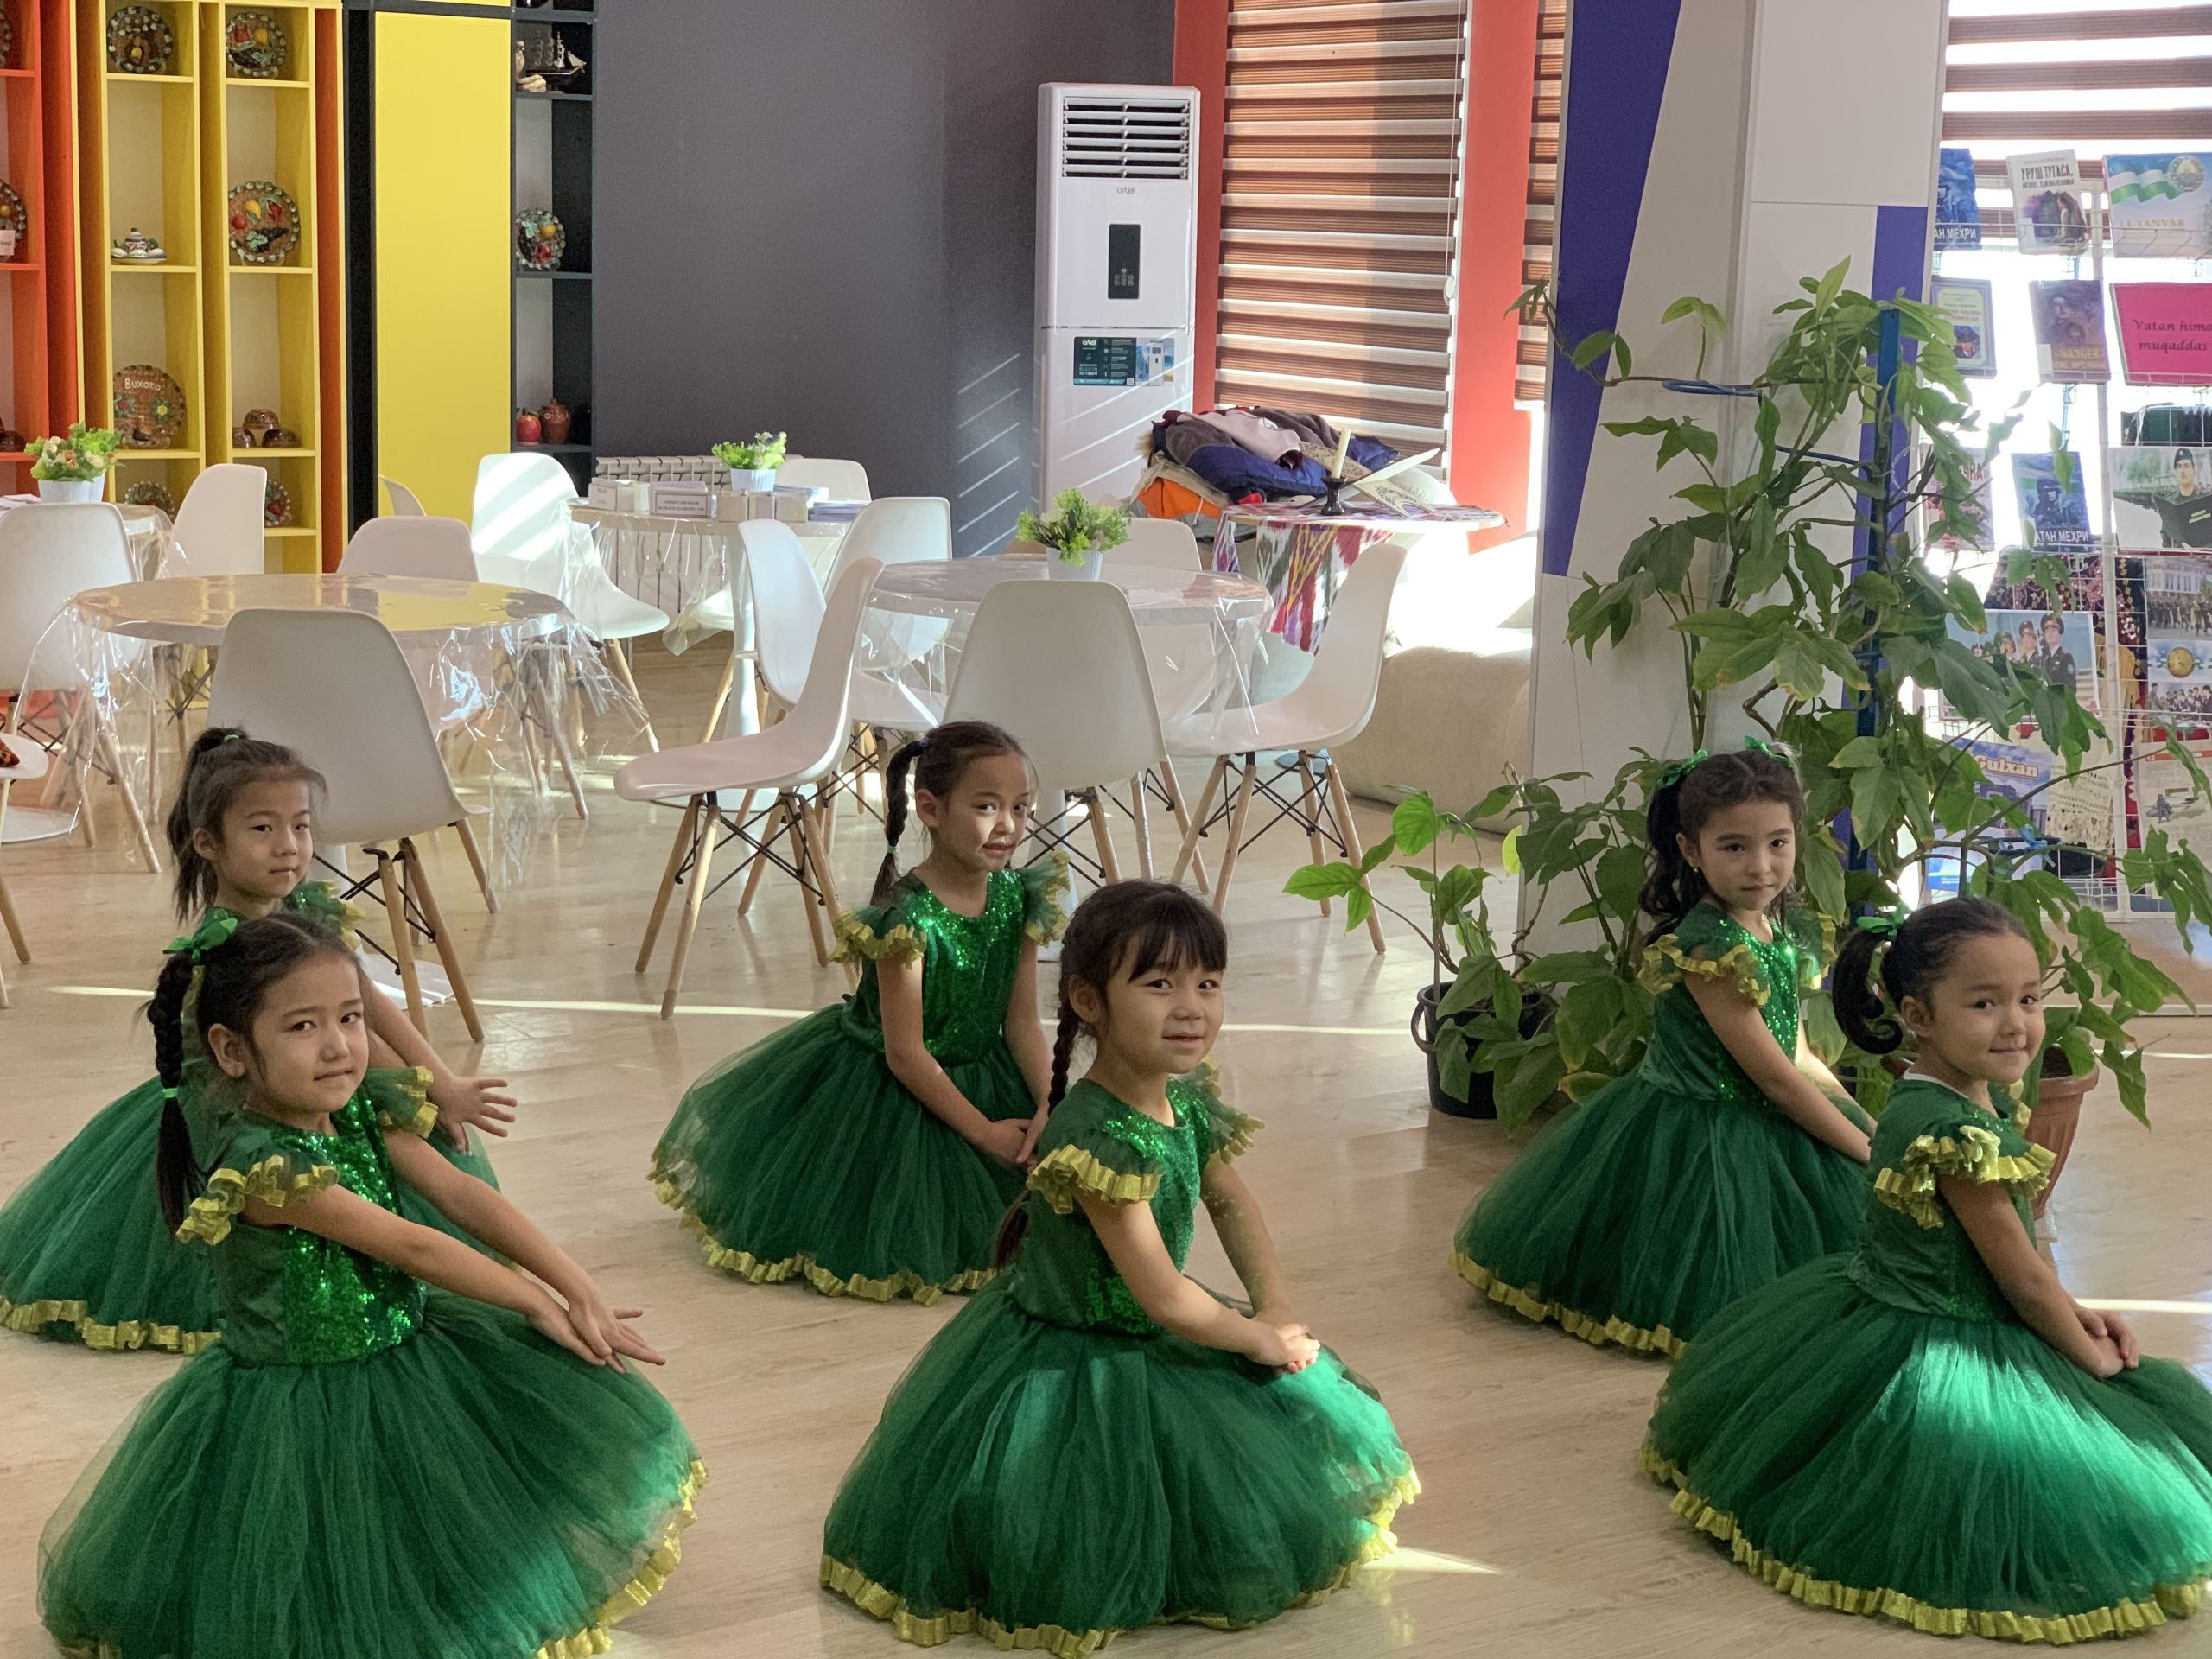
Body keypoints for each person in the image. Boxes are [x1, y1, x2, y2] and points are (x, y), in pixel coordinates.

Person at [37, 912, 702, 1657]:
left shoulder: (356, 1111)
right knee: (332, 1564)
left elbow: (459, 1193)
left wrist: (573, 1282)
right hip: (301, 1400)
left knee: (437, 1510)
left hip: (405, 1342)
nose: (339, 1046)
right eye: (302, 1026)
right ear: (230, 1050)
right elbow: (413, 1243)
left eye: (351, 1017)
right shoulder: (266, 1168)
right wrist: (534, 1300)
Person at [820, 881, 1416, 1650]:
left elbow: (1231, 1203)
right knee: (1079, 1511)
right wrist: (1255, 1338)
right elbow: (1163, 1298)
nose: (1191, 1008)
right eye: (1160, 984)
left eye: (1208, 984)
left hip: (1153, 1322)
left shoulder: (1187, 1102)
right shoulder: (1095, 1137)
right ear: (1088, 1001)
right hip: (1075, 1348)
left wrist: (1274, 1306)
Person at [1643, 899, 2212, 1643]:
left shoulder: (1931, 1093)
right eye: (1984, 1004)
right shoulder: (1955, 1135)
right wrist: (2086, 1353)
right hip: (1945, 1332)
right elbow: (2018, 1277)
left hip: (1881, 1302)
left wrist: (2072, 1306)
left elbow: (2020, 1259)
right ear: (1917, 1015)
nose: (2016, 1025)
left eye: (2029, 999)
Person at [0, 728, 512, 1353]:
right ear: (208, 844)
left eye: (300, 827)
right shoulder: (223, 954)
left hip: (315, 1087)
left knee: (420, 1148)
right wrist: (403, 1089)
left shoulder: (307, 912)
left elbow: (365, 1003)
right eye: (263, 829)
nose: (288, 847)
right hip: (244, 1121)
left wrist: (437, 1081)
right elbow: (308, 1055)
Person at [1452, 741, 1874, 1357]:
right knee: (1719, 1278)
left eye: (1778, 843)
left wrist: (1870, 1126)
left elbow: (1801, 1056)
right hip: (1701, 1132)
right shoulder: (1708, 947)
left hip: (1769, 1110)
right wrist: (1866, 1152)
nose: (1761, 867)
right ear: (1691, 850)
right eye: (1735, 847)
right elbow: (1777, 1081)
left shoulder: (1773, 927)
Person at [651, 721, 1065, 1302]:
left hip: (985, 1073)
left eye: (1021, 808)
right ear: (930, 808)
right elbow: (906, 1054)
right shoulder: (907, 917)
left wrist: (1050, 1104)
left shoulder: (1018, 897)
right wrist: (985, 1135)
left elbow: (1020, 1022)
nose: (1009, 826)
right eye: (987, 806)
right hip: (897, 1088)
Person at [2115, 447, 2212, 550]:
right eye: (2179, 467)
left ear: (2194, 471)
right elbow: (2165, 534)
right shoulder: (2170, 501)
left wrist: (2199, 551)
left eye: (2186, 466)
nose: (2183, 470)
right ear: (2176, 472)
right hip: (2178, 557)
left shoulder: (2205, 501)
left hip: (2202, 556)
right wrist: (2169, 551)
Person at [2039, 614, 2081, 690]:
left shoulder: (2066, 657)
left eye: (2053, 629)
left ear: (2060, 634)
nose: (2050, 633)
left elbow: (2070, 688)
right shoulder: (2045, 659)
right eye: (2047, 630)